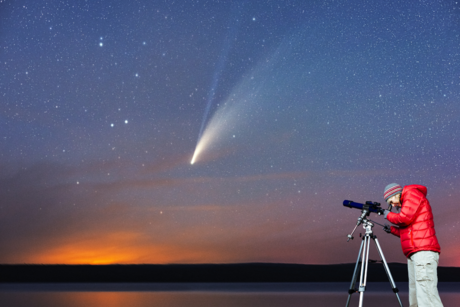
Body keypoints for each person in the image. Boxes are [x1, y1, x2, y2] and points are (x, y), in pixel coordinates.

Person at [382, 183, 443, 307]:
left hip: (423, 253)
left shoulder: (411, 194)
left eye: (391, 201)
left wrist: (388, 215)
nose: (392, 205)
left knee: (427, 296)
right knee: (416, 296)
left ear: (396, 193)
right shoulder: (407, 202)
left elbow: (404, 218)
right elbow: (409, 231)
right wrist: (392, 230)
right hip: (415, 253)